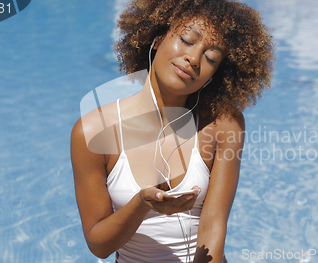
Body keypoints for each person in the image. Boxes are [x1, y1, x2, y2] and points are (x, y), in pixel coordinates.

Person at [71, 0, 274, 262]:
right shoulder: (93, 131)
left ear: (214, 76)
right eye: (187, 39)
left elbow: (213, 225)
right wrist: (141, 204)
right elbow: (99, 246)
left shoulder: (222, 126)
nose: (194, 58)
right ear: (156, 39)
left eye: (211, 57)